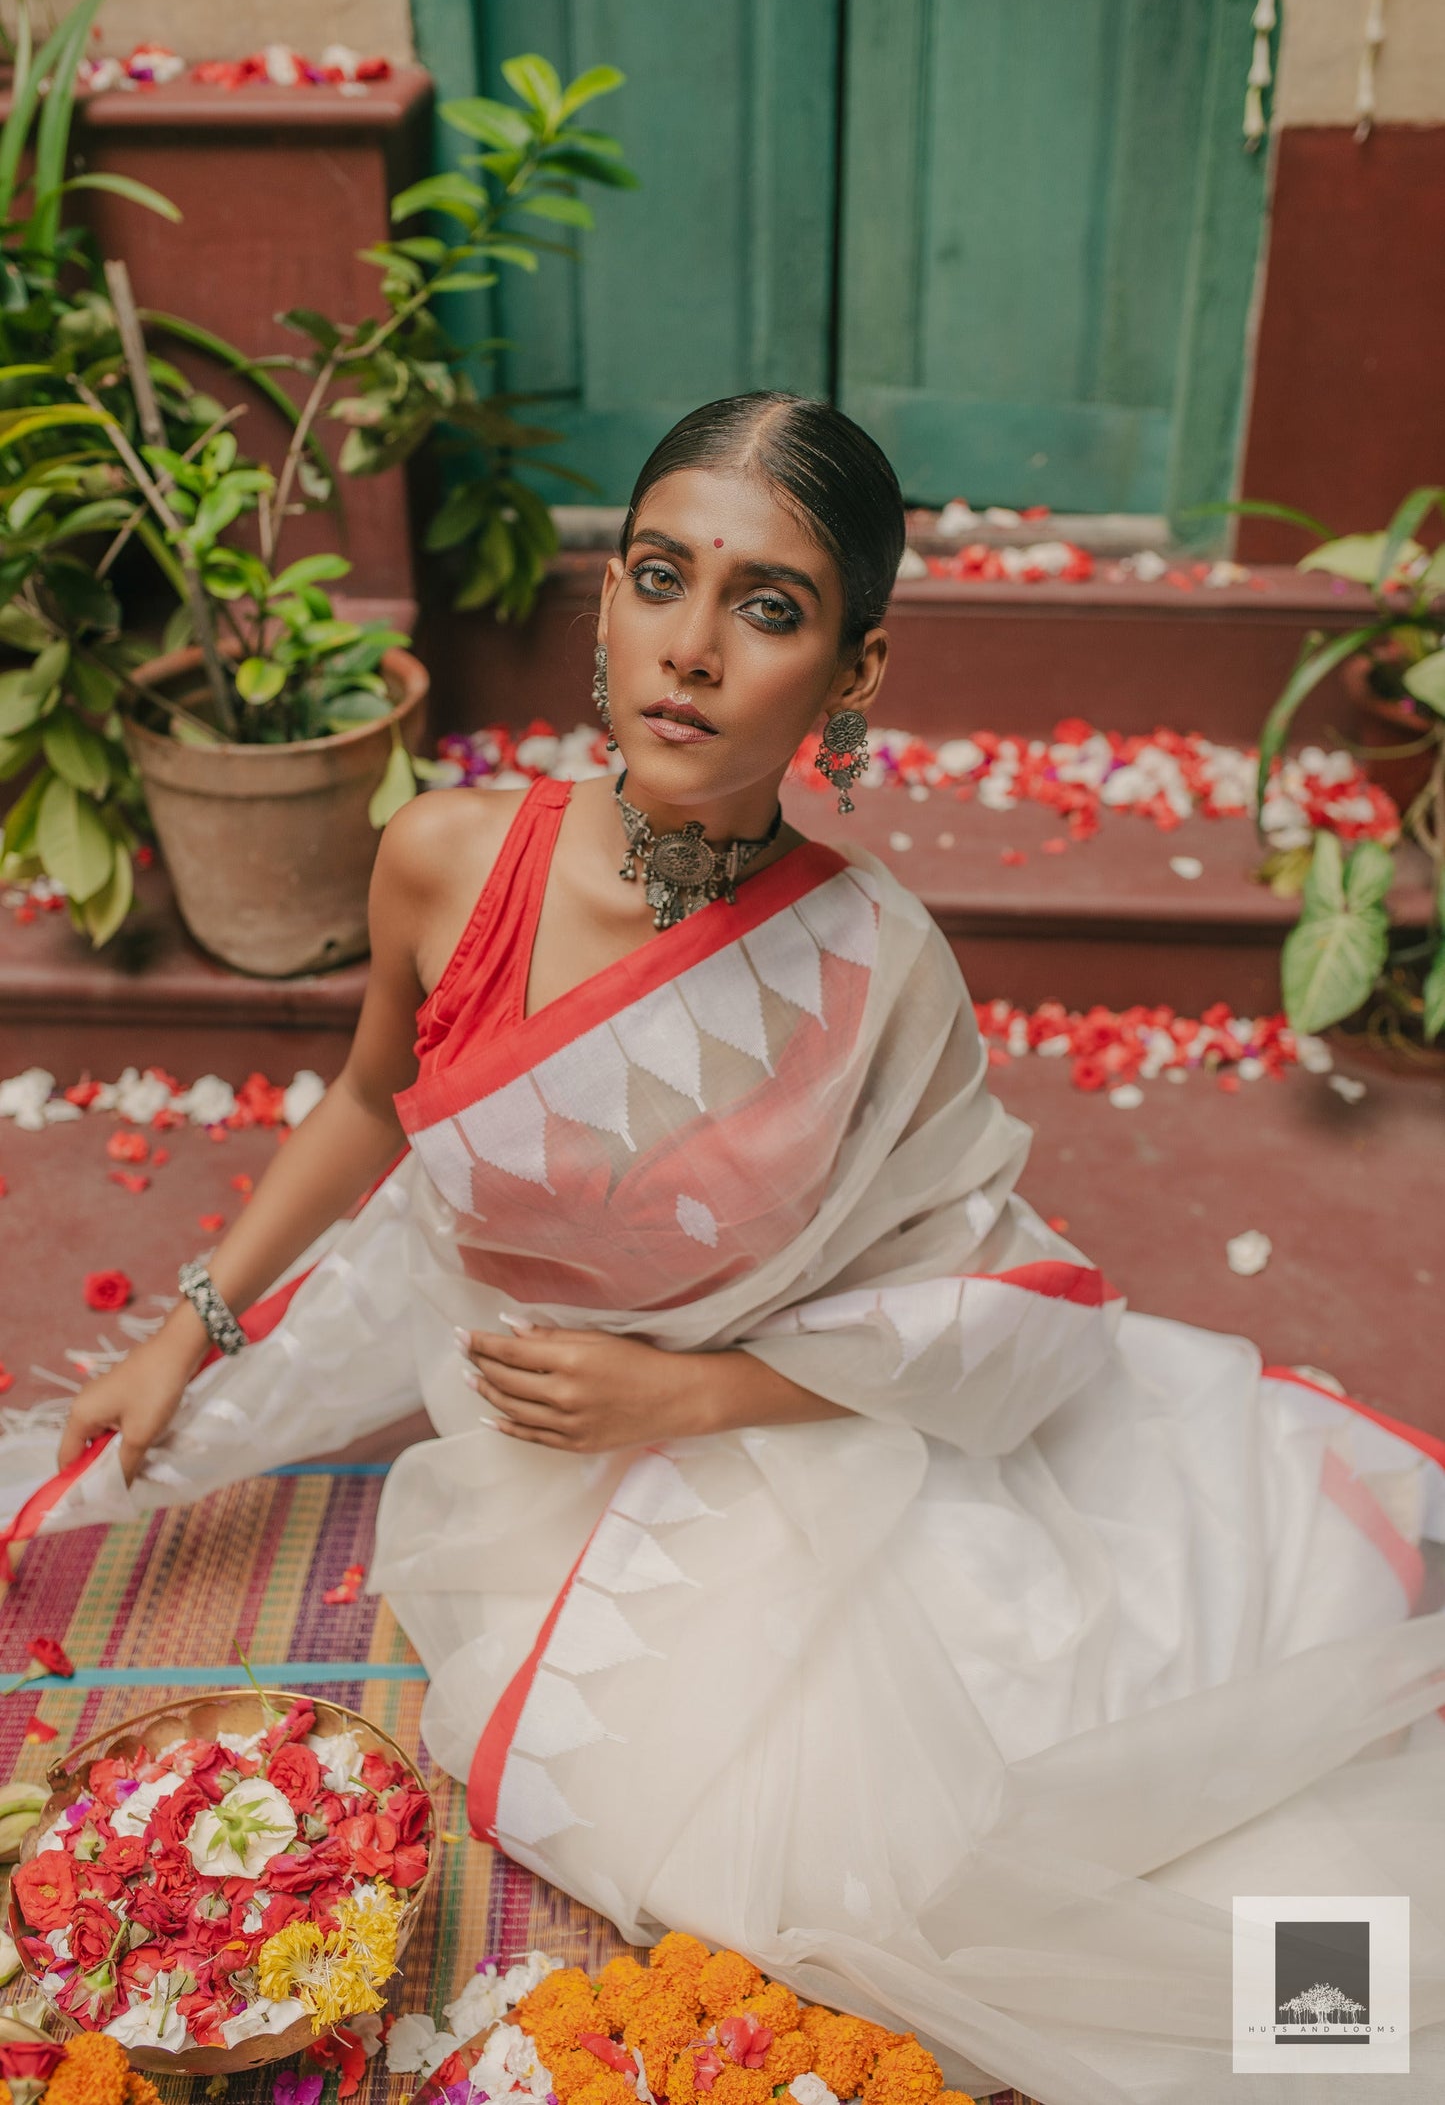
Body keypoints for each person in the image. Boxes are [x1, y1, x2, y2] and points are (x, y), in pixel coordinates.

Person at [11, 393, 1445, 2105]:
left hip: (786, 1437)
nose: (690, 648)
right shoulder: (446, 857)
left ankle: (1347, 2007)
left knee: (938, 1855)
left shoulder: (869, 962)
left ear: (852, 676)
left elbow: (990, 1287)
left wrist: (680, 1393)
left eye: (767, 606)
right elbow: (372, 1105)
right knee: (706, 1822)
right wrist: (194, 1319)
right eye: (657, 576)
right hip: (532, 1448)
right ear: (604, 604)